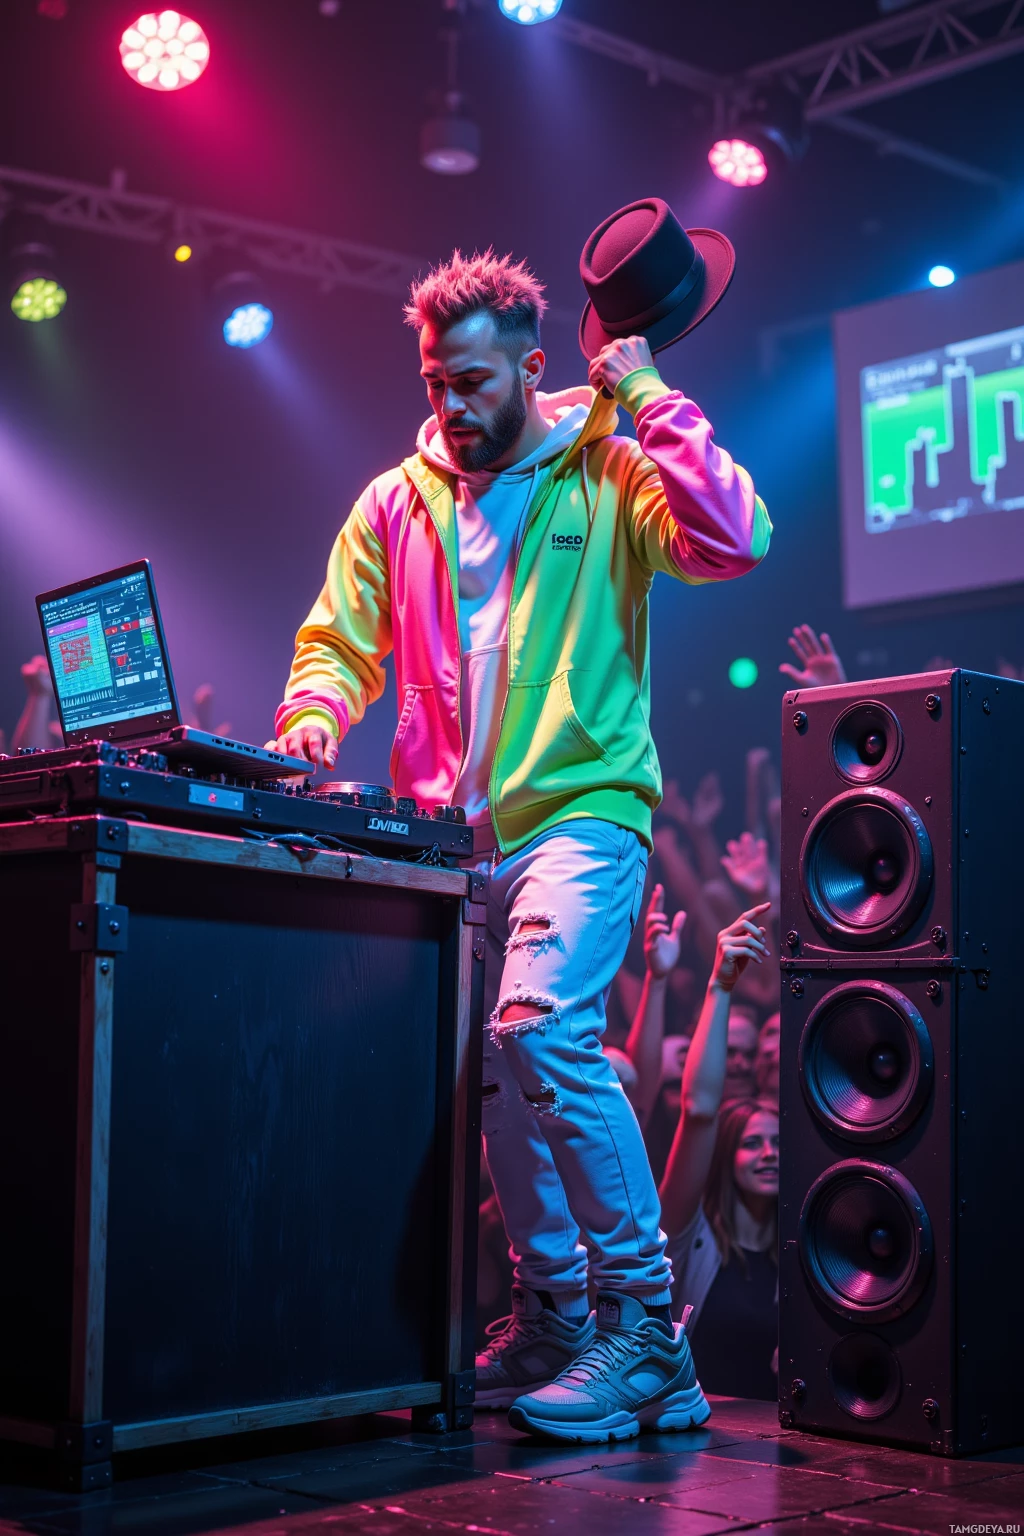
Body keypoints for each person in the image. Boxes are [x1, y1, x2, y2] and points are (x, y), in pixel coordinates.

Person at [270, 245, 770, 1441]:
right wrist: (308, 720)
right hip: (453, 837)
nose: (451, 403)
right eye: (437, 378)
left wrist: (647, 394)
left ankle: (647, 1336)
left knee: (539, 1031)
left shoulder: (607, 464)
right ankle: (550, 1317)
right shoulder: (396, 498)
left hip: (584, 815)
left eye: (476, 381)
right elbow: (338, 641)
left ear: (536, 368)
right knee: (491, 1081)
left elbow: (737, 535)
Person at [660, 905, 780, 1403]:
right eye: (752, 1143)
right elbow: (700, 1111)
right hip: (695, 1442)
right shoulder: (692, 1236)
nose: (770, 1153)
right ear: (727, 1157)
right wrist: (720, 986)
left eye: (776, 1142)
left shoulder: (802, 1251)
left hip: (784, 1453)